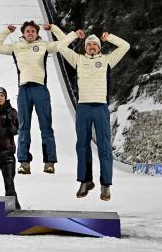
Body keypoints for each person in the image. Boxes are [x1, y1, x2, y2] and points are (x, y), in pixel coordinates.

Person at [58, 30, 130, 201]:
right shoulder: (78, 59)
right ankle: (85, 181)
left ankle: (105, 185)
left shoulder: (107, 60)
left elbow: (125, 46)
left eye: (95, 44)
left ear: (99, 48)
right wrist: (75, 35)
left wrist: (110, 38)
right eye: (89, 44)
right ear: (85, 47)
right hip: (83, 107)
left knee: (104, 145)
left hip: (100, 106)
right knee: (82, 145)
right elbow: (61, 46)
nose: (91, 46)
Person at [0, 20, 66, 174]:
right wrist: (6, 31)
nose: (30, 33)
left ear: (37, 33)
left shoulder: (44, 45)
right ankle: (24, 162)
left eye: (33, 31)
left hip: (40, 89)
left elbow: (63, 43)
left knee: (46, 126)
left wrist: (53, 28)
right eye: (27, 31)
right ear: (23, 33)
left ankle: (49, 162)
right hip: (24, 89)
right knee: (23, 126)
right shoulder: (16, 46)